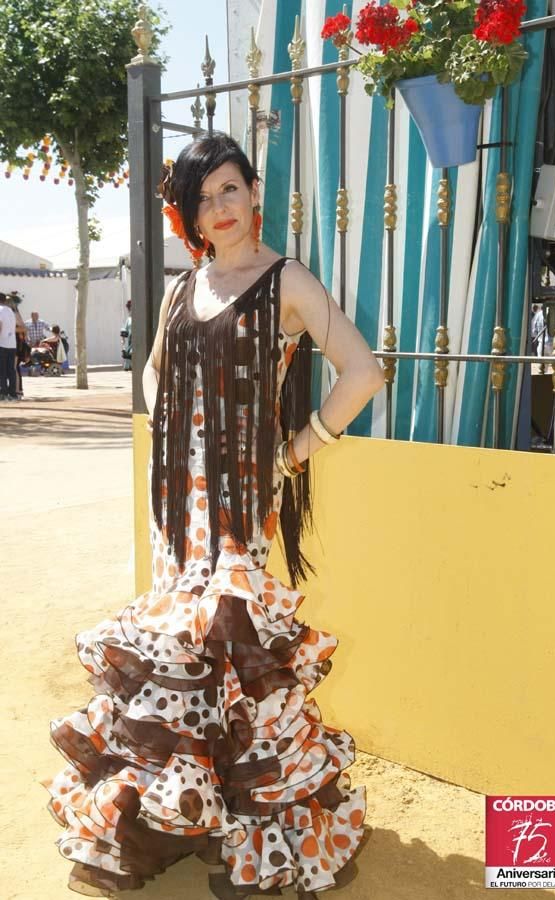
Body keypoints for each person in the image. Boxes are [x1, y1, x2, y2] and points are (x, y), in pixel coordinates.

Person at [44, 133, 384, 898]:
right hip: (179, 506)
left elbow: (363, 372)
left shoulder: (287, 281)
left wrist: (291, 454)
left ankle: (255, 827)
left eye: (229, 189)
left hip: (239, 508)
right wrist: (180, 442)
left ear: (254, 193)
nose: (219, 208)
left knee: (232, 652)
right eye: (202, 197)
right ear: (191, 214)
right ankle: (183, 812)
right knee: (180, 653)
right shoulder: (182, 288)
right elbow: (154, 370)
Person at [0, 292, 18, 401]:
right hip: (12, 344)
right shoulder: (10, 310)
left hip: (2, 343)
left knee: (2, 370)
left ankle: (4, 393)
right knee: (11, 370)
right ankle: (13, 394)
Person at [120, 299, 133, 370]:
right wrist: (123, 348)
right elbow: (123, 335)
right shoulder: (129, 320)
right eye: (130, 307)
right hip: (131, 348)